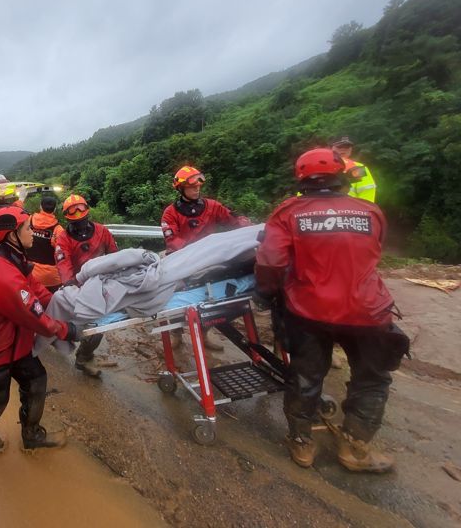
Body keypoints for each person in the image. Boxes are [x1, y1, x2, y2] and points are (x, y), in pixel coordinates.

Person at [255, 148, 403, 473]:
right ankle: (355, 448)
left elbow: (270, 261)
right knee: (372, 379)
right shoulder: (370, 212)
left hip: (309, 310)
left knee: (306, 377)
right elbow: (372, 254)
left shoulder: (288, 213)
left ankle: (302, 445)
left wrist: (265, 295)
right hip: (367, 310)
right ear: (341, 176)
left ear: (301, 179)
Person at [0, 205, 82, 454]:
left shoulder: (16, 258)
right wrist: (64, 330)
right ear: (11, 234)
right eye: (28, 228)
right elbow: (32, 315)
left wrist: (58, 304)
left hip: (15, 342)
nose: (33, 230)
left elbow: (35, 288)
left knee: (37, 382)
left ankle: (32, 435)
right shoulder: (4, 274)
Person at [161, 165, 251, 351]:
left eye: (198, 185)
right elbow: (173, 240)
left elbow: (232, 222)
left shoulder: (213, 206)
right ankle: (176, 334)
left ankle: (204, 331)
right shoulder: (170, 213)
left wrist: (244, 225)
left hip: (210, 259)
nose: (197, 188)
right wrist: (195, 254)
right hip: (181, 260)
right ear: (181, 189)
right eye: (192, 186)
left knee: (213, 296)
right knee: (177, 296)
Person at [55, 194, 118, 377]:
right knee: (94, 326)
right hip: (80, 288)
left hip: (104, 283)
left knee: (103, 324)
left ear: (87, 211)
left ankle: (84, 355)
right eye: (73, 211)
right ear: (67, 216)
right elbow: (63, 264)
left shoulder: (101, 231)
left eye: (81, 209)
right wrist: (69, 284)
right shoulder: (63, 239)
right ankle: (83, 357)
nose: (78, 215)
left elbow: (114, 254)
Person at [25, 194, 64, 292]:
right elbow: (63, 255)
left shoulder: (29, 220)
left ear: (40, 207)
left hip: (31, 273)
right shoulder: (58, 230)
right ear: (55, 209)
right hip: (52, 278)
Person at [331, 136, 377, 202]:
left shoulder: (359, 167)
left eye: (347, 147)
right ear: (331, 148)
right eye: (339, 147)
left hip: (351, 210)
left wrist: (365, 210)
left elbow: (366, 192)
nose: (343, 150)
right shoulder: (320, 165)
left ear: (351, 149)